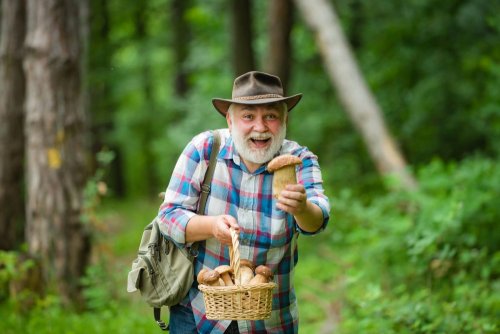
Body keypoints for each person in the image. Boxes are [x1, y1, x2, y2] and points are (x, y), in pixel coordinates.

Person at [158, 71, 330, 333]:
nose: (260, 128)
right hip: (198, 312)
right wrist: (211, 226)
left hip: (271, 319)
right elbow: (168, 217)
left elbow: (316, 221)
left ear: (284, 119)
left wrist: (302, 208)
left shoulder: (300, 160)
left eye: (270, 116)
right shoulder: (205, 149)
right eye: (248, 116)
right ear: (230, 120)